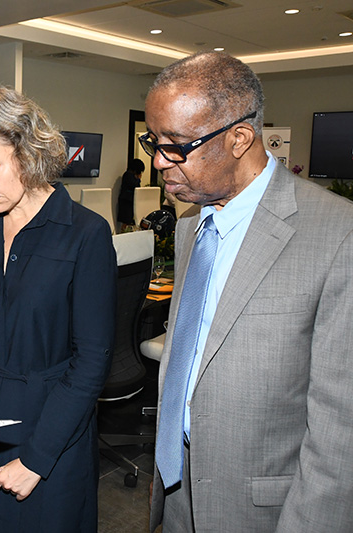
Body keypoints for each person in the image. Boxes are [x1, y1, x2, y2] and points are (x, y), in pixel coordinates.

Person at [143, 51, 353, 532]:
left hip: (267, 507)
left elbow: (340, 431)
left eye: (176, 145)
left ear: (240, 138)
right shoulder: (190, 222)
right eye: (153, 142)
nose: (159, 161)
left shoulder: (339, 235)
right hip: (180, 486)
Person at [0, 86, 117, 532]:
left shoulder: (86, 235)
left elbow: (91, 361)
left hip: (51, 431)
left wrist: (36, 458)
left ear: (30, 153)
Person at [117, 157, 145, 230]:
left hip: (129, 200)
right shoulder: (128, 175)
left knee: (128, 221)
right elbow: (134, 185)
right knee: (126, 221)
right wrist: (138, 179)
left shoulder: (129, 175)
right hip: (126, 201)